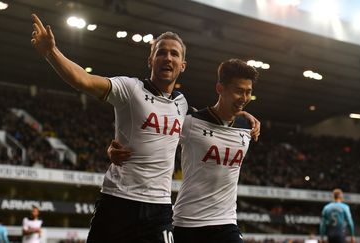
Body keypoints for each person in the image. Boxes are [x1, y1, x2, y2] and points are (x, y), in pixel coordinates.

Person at [31, 14, 259, 243]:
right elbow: (85, 80)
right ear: (150, 60)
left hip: (159, 210)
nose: (167, 58)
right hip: (118, 201)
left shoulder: (182, 105)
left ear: (183, 65)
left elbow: (213, 119)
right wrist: (52, 52)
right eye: (161, 52)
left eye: (174, 54)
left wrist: (241, 115)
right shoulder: (130, 89)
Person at [108, 59, 259, 243]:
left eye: (248, 92)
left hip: (226, 222)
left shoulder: (247, 127)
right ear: (220, 88)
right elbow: (152, 138)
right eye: (238, 91)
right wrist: (114, 148)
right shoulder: (190, 122)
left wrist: (246, 115)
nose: (244, 98)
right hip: (187, 222)